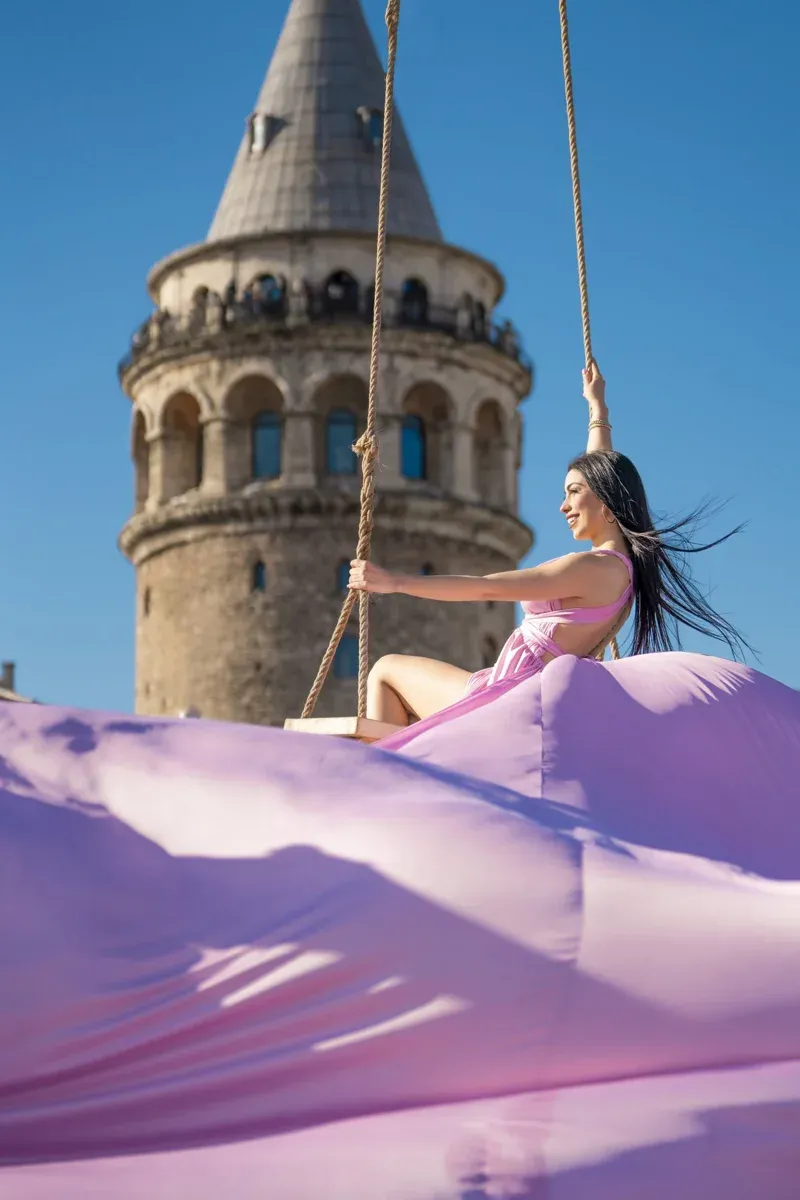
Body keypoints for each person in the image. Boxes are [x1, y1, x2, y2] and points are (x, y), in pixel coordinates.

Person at [349, 362, 748, 729]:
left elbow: (487, 586)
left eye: (573, 493)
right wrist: (599, 412)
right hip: (521, 694)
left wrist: (394, 582)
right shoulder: (621, 570)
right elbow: (603, 468)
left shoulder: (592, 569)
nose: (563, 506)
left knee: (385, 670)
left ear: (606, 504)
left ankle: (382, 781)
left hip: (504, 697)